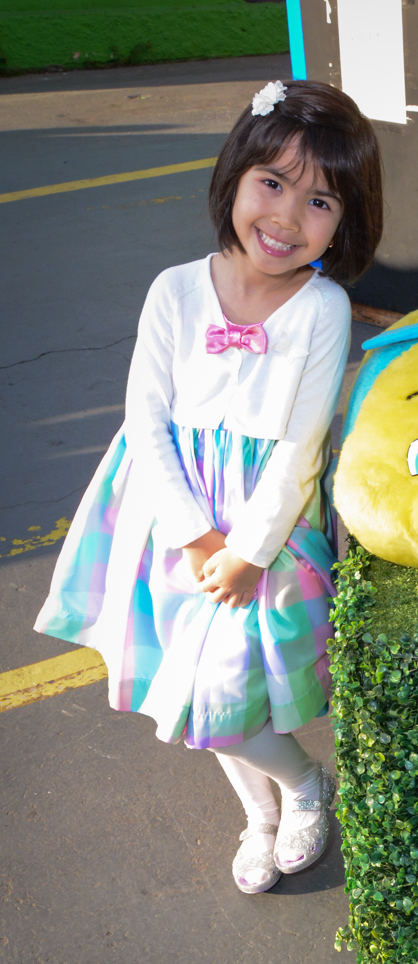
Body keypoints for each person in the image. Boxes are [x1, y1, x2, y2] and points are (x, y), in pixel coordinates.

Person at [35, 80, 383, 894]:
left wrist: (249, 552)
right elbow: (143, 421)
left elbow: (303, 446)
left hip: (264, 528)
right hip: (172, 521)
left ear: (346, 220)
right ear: (235, 175)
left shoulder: (324, 308)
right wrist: (197, 536)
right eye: (273, 184)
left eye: (320, 201)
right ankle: (272, 810)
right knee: (196, 697)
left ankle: (297, 789)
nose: (287, 218)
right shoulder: (175, 289)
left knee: (223, 695)